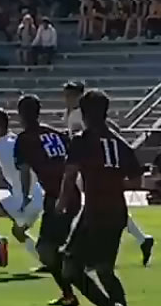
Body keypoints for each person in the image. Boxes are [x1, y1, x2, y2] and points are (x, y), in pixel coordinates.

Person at [57, 89, 140, 306]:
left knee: (70, 267)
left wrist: (62, 201)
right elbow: (137, 180)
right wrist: (113, 185)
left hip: (93, 212)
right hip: (116, 212)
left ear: (83, 114)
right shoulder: (120, 143)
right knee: (104, 269)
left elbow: (70, 173)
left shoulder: (82, 141)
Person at [62, 80, 155, 265]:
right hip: (89, 160)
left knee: (96, 201)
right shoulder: (79, 113)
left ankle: (82, 255)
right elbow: (112, 129)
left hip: (90, 160)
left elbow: (97, 133)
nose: (65, 98)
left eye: (68, 95)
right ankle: (141, 238)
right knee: (103, 201)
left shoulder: (81, 114)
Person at [15, 93, 78, 306]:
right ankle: (69, 291)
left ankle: (73, 291)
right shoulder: (55, 134)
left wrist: (25, 196)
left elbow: (24, 171)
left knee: (47, 249)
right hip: (71, 193)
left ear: (20, 115)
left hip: (57, 196)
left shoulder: (24, 139)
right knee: (52, 248)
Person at [0, 108, 44, 269]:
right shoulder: (16, 139)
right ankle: (46, 261)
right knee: (18, 232)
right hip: (38, 197)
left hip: (21, 199)